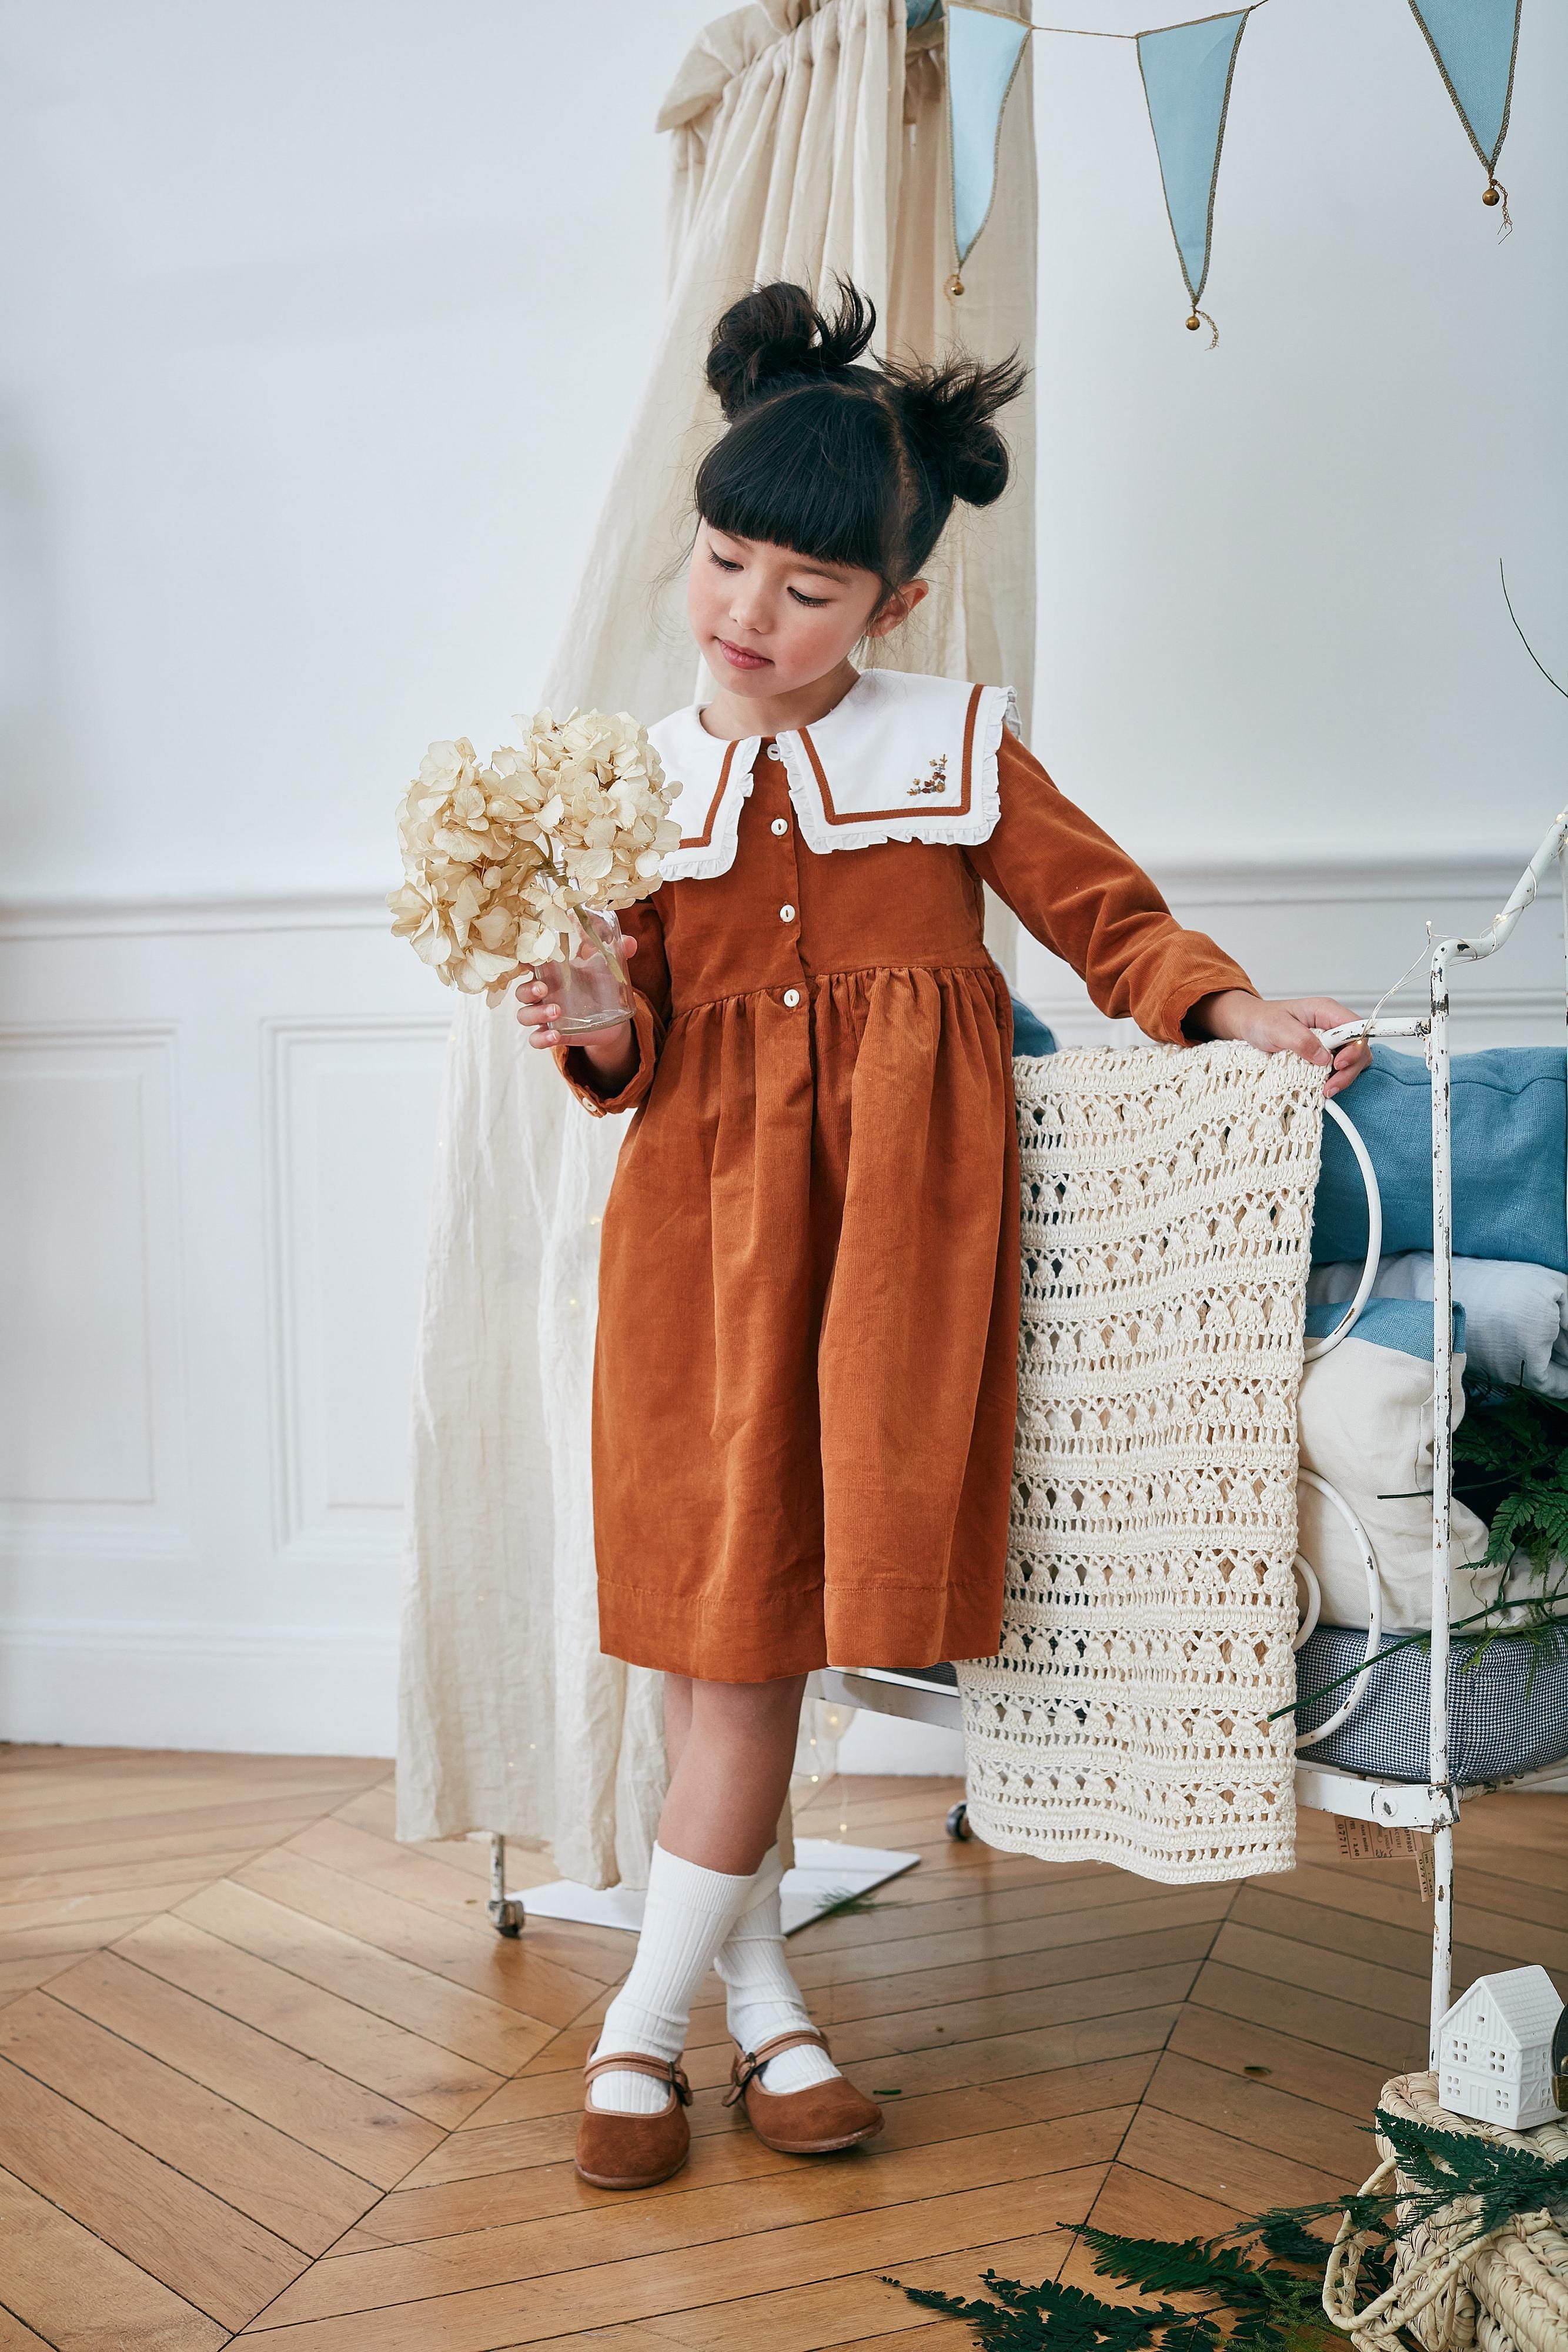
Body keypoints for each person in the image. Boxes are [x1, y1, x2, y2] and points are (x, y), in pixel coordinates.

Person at [515, 281, 1369, 2192]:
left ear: (893, 605)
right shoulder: (630, 786)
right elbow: (631, 1041)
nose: (749, 615)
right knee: (719, 1638)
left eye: (807, 589)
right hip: (699, 1257)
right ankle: (709, 2024)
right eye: (724, 563)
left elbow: (1107, 918)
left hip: (896, 1254)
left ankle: (696, 2024)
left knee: (766, 1646)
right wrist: (586, 1022)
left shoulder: (957, 744)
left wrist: (1233, 1015)